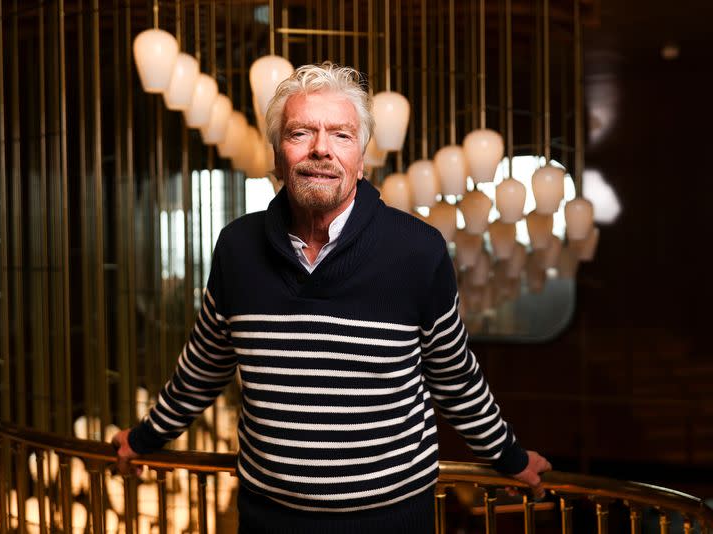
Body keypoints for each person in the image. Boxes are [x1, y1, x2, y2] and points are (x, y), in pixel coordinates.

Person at [112, 62, 551, 534]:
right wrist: (144, 437)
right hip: (270, 519)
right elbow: (204, 365)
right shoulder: (237, 248)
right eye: (301, 132)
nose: (321, 148)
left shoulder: (418, 251)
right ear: (278, 157)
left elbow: (454, 378)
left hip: (393, 520)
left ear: (361, 160)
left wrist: (507, 456)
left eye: (341, 135)